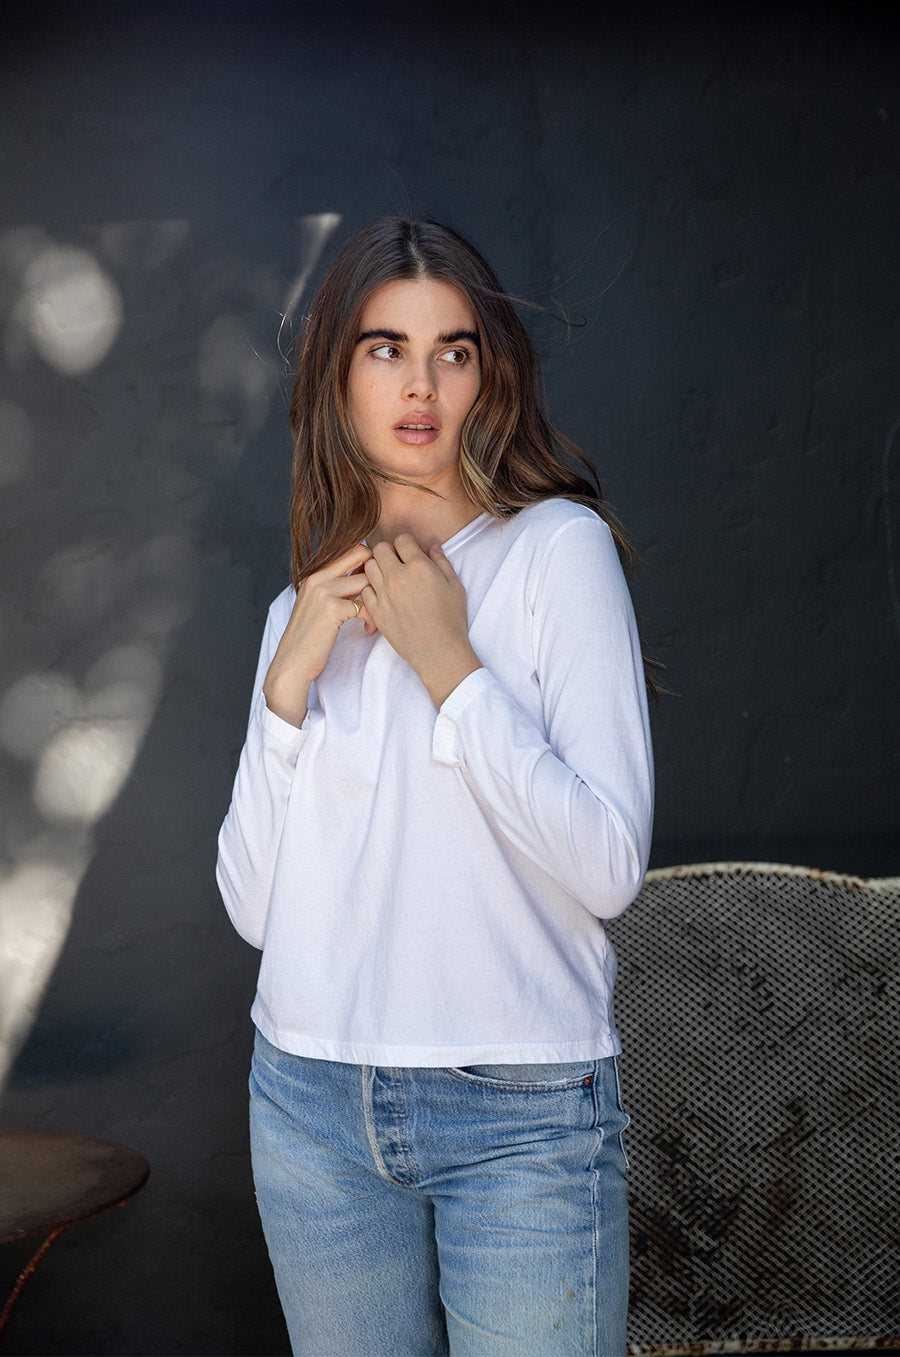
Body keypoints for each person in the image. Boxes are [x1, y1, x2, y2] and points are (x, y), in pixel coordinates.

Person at [216, 217, 654, 1357]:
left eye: (453, 350)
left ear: (488, 370)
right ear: (335, 371)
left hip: (520, 1114)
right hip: (309, 1102)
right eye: (385, 349)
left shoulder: (558, 552)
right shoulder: (297, 611)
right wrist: (289, 684)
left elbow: (609, 868)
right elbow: (256, 912)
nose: (421, 384)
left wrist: (448, 663)